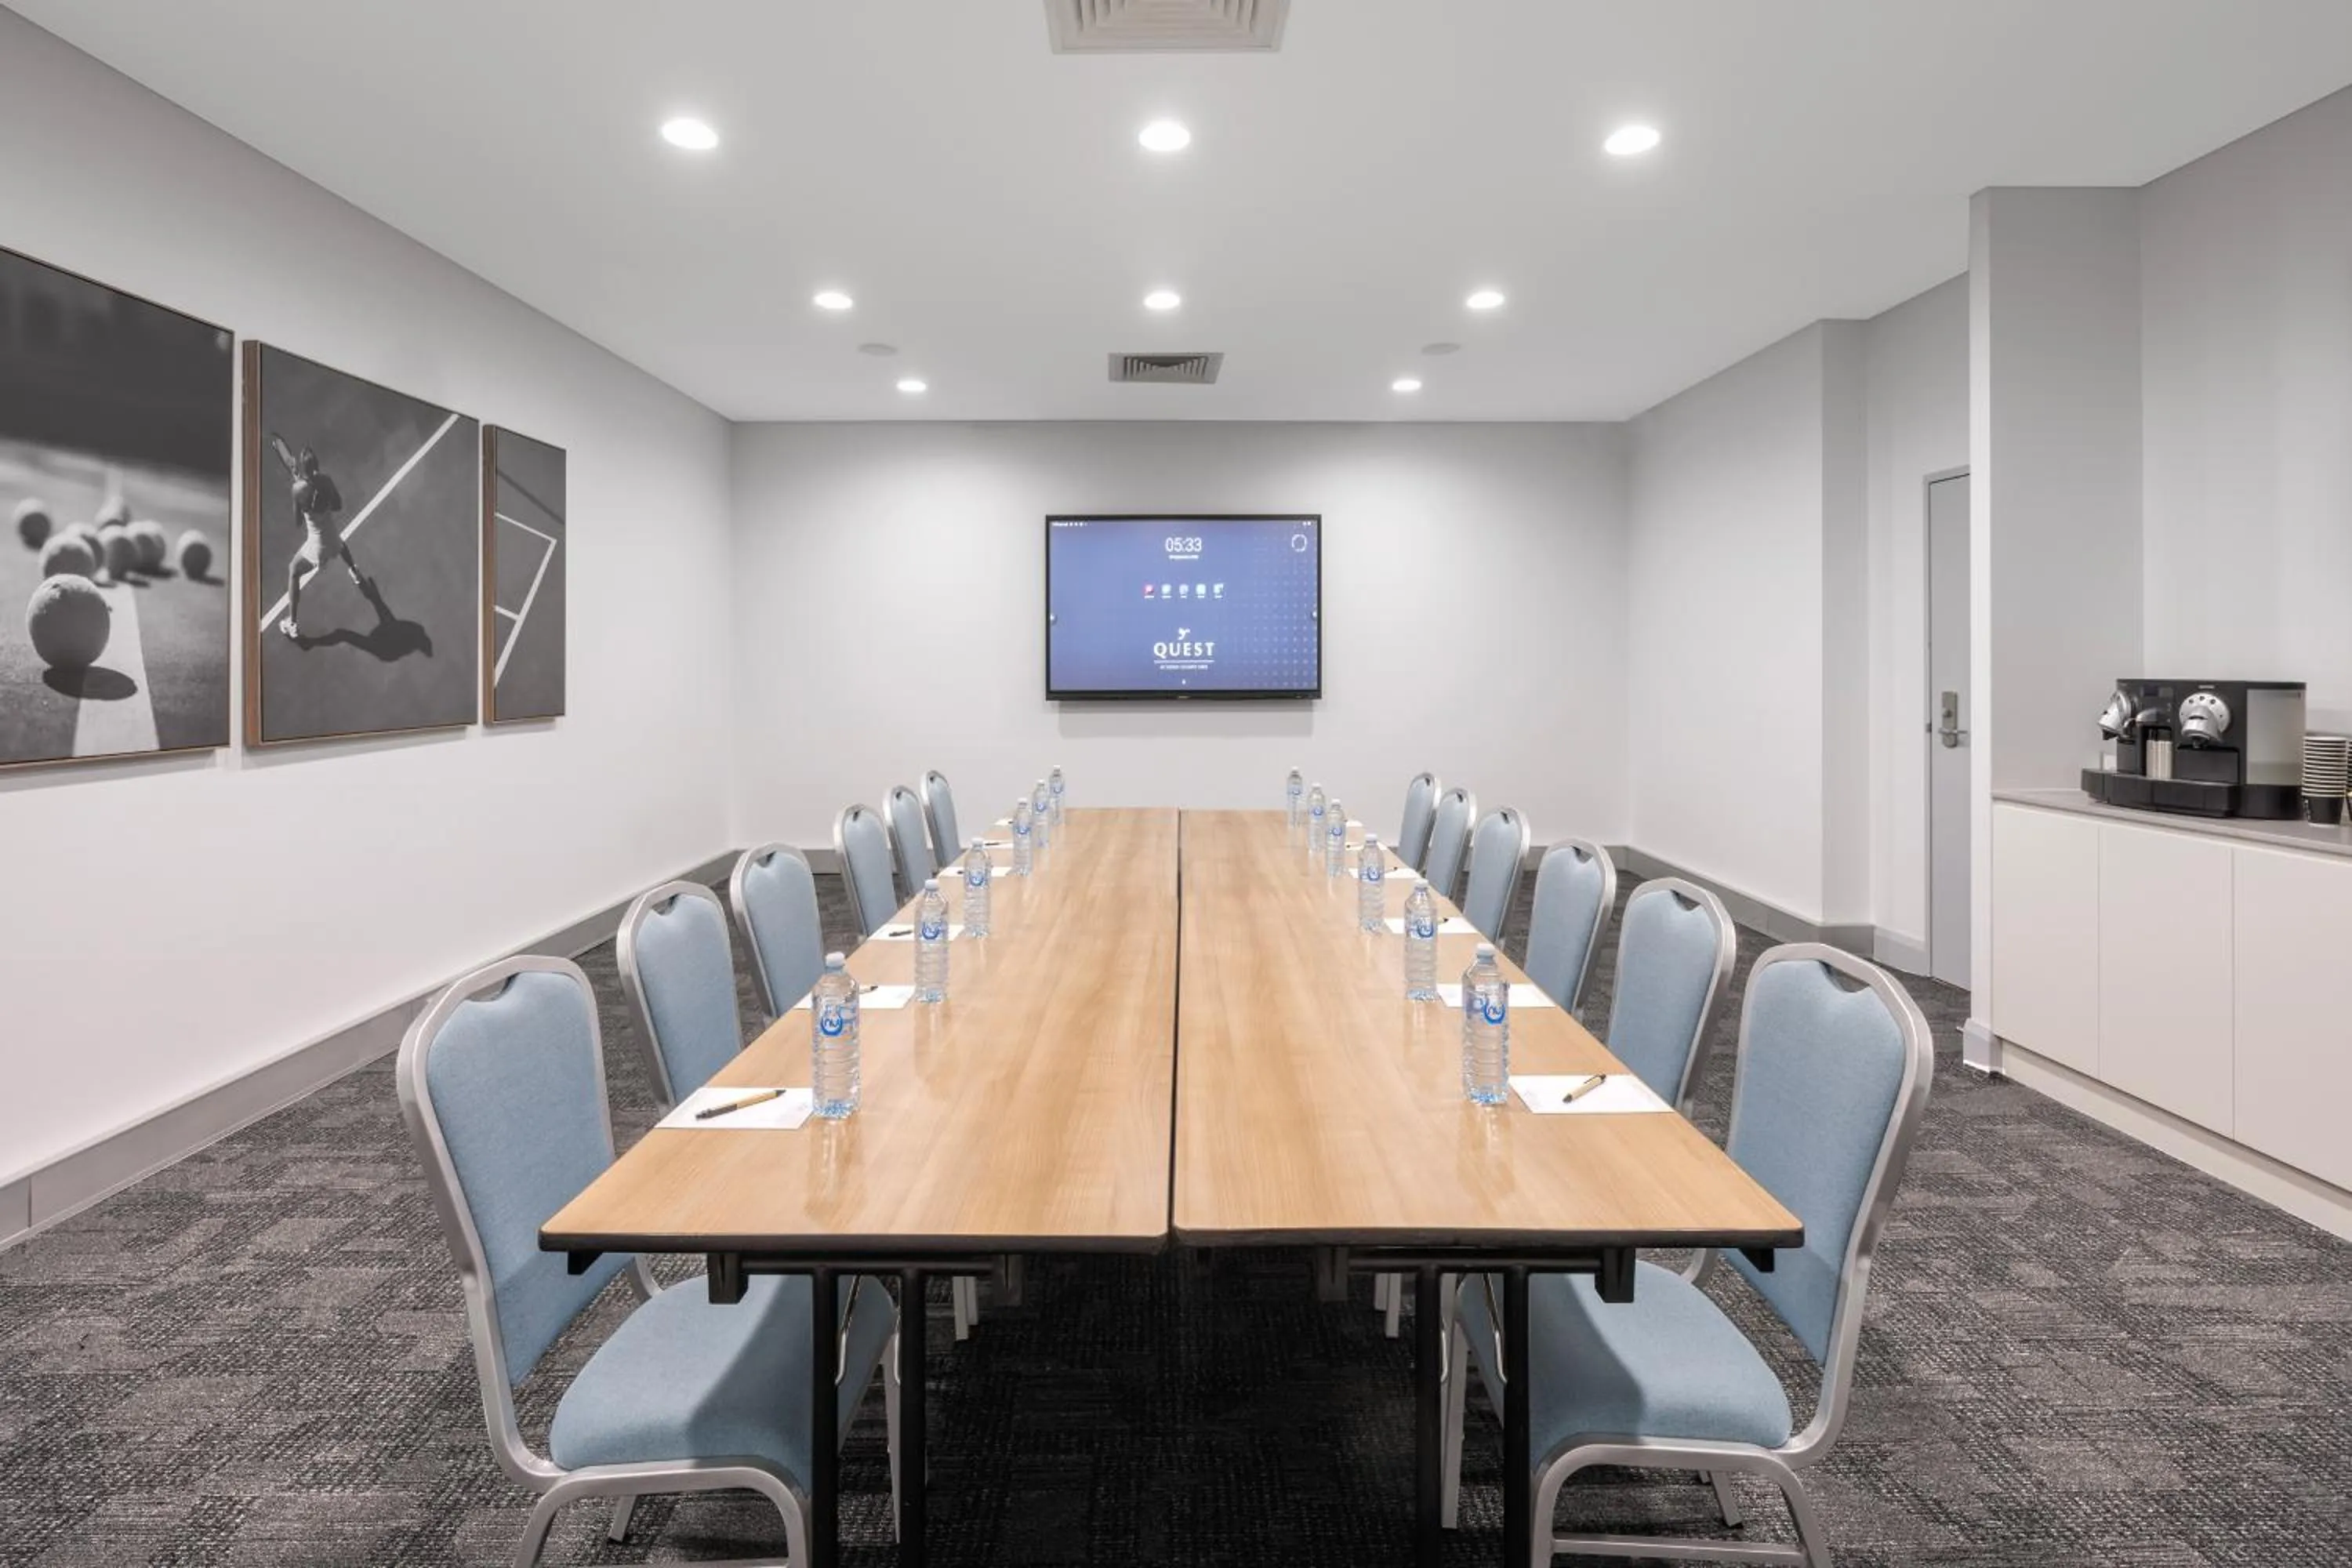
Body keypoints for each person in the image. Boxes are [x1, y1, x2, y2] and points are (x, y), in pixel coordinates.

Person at [270, 434, 368, 641]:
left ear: (302, 469)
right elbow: (338, 505)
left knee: (293, 570)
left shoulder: (297, 489)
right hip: (332, 537)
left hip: (317, 547)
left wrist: (298, 493)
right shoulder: (326, 481)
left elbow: (298, 522)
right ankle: (356, 572)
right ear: (316, 465)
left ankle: (292, 624)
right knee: (340, 543)